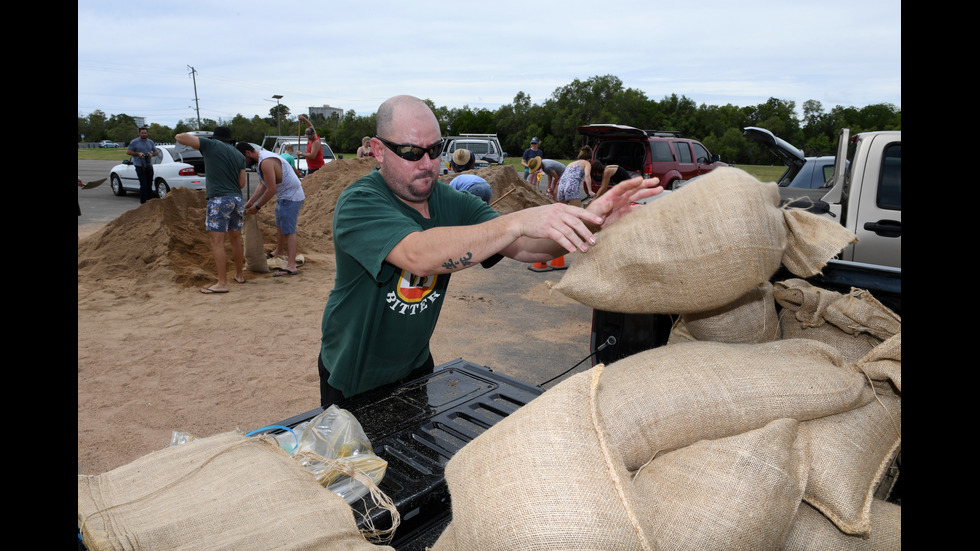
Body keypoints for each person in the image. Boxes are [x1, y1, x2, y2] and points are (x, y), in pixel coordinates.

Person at [316, 95, 662, 408]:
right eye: (411, 153)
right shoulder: (359, 202)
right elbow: (417, 255)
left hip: (415, 364)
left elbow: (527, 247)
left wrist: (594, 219)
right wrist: (517, 221)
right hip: (353, 374)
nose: (427, 163)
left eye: (435, 150)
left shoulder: (450, 200)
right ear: (378, 150)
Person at [175, 127, 247, 294]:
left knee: (217, 242)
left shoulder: (211, 145)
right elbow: (242, 183)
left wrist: (201, 139)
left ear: (216, 138)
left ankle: (222, 283)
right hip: (236, 200)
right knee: (236, 239)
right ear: (230, 140)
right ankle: (239, 275)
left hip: (219, 199)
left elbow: (180, 137)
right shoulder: (239, 155)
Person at [236, 142, 306, 277]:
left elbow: (271, 188)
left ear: (248, 153)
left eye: (243, 159)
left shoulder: (266, 162)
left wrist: (257, 207)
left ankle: (291, 266)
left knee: (289, 230)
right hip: (283, 196)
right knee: (280, 225)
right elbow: (262, 184)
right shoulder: (260, 162)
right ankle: (279, 251)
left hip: (291, 196)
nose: (243, 163)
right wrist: (250, 203)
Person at [528, 147, 596, 273]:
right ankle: (578, 244)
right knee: (578, 216)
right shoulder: (586, 163)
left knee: (563, 217)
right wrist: (590, 191)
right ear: (589, 158)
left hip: (561, 187)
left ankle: (560, 239)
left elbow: (560, 177)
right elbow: (587, 176)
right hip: (571, 187)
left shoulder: (571, 163)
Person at [126, 126, 157, 204]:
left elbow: (156, 152)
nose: (144, 134)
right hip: (139, 165)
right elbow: (128, 152)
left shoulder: (150, 142)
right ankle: (143, 203)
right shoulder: (134, 142)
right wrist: (138, 153)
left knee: (149, 184)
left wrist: (152, 154)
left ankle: (150, 202)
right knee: (143, 184)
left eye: (145, 133)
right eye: (142, 133)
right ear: (139, 133)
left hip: (149, 165)